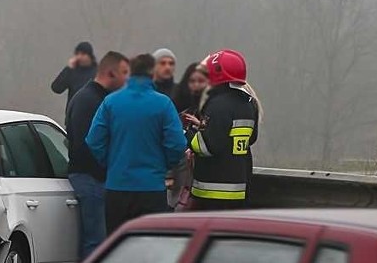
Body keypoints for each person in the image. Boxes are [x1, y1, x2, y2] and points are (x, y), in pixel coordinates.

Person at [86, 54, 187, 234]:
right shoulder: (163, 104)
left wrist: (111, 162)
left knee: (117, 247)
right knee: (150, 245)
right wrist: (164, 165)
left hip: (117, 187)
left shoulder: (111, 102)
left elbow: (94, 140)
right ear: (152, 73)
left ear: (131, 73)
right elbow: (177, 144)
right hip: (152, 187)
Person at [66, 51, 130, 259]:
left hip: (95, 178)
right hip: (90, 179)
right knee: (95, 241)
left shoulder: (94, 97)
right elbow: (86, 146)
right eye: (124, 72)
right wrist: (108, 167)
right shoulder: (89, 101)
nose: (127, 78)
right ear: (111, 73)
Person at [185, 49, 262, 210]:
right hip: (239, 189)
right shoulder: (248, 104)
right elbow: (250, 138)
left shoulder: (217, 104)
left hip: (212, 192)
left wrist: (188, 133)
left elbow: (206, 146)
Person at [168, 63, 210, 209]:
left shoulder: (211, 106)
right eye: (192, 81)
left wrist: (200, 125)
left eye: (201, 81)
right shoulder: (177, 102)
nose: (196, 86)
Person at [51, 42, 98, 113]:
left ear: (89, 56)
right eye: (77, 54)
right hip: (74, 115)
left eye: (83, 54)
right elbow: (56, 88)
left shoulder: (97, 72)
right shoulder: (72, 71)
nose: (79, 57)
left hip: (92, 114)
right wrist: (68, 68)